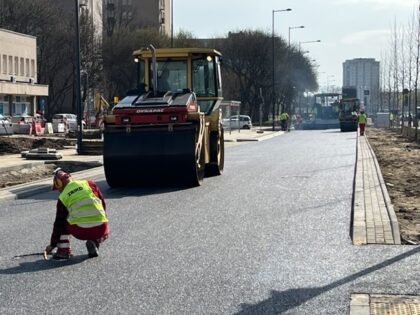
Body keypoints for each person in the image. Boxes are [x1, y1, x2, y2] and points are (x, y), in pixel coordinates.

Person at [44, 168, 109, 260]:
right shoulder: (89, 184)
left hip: (79, 231)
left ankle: (63, 251)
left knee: (63, 221)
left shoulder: (63, 197)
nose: (58, 191)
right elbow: (102, 204)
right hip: (100, 230)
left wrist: (52, 244)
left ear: (59, 184)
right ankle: (95, 242)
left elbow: (58, 223)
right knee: (102, 218)